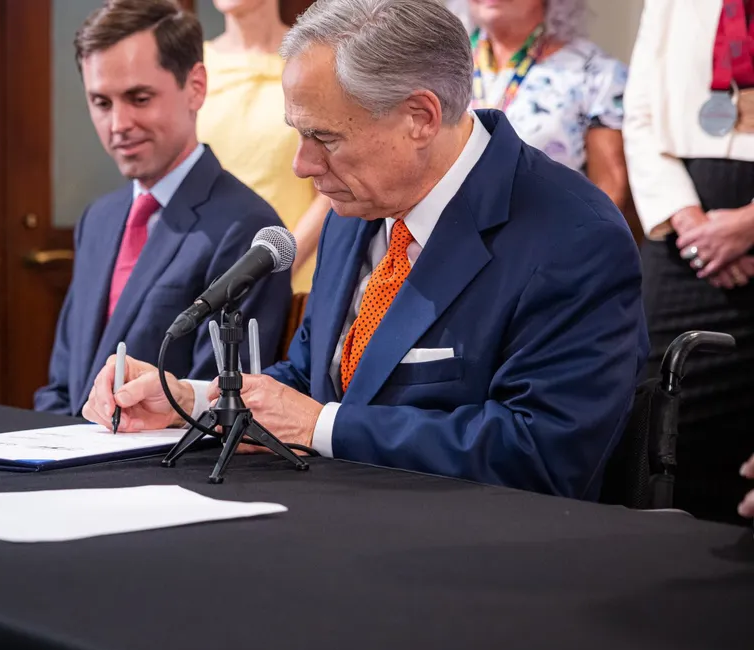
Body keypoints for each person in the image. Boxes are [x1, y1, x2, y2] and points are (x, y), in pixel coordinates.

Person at [82, 0, 648, 500]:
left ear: (420, 117)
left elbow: (541, 454)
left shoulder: (574, 238)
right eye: (298, 134)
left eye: (324, 138)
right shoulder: (355, 208)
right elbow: (312, 377)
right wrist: (198, 400)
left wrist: (322, 427)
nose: (302, 165)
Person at [34, 0, 292, 417]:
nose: (118, 124)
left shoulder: (246, 229)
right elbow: (63, 385)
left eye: (138, 98)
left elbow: (219, 406)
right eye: (101, 103)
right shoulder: (97, 220)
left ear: (195, 87)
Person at [624, 0, 754, 523]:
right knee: (656, 418)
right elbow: (640, 113)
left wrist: (747, 225)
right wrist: (690, 222)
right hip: (686, 219)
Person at [196, 0, 329, 291]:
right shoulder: (194, 66)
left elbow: (332, 183)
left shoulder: (315, 58)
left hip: (294, 281)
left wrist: (276, 270)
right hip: (204, 282)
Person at [445, 0, 630, 209]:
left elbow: (609, 187)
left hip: (552, 234)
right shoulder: (438, 67)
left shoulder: (596, 73)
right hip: (450, 232)